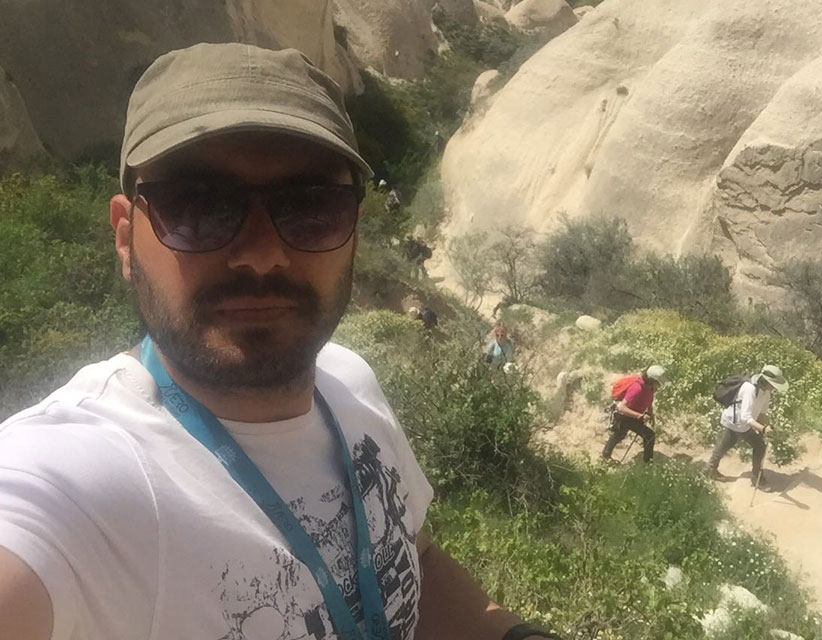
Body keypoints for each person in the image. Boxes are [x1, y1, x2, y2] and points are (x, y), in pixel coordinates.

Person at [0, 43, 558, 640]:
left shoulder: (351, 385)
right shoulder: (77, 485)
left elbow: (414, 563)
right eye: (198, 208)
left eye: (311, 209)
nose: (262, 255)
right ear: (125, 238)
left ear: (353, 232)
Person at [706, 364, 789, 490]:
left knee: (726, 443)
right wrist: (762, 429)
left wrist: (765, 426)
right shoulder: (749, 389)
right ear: (767, 382)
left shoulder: (765, 392)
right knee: (758, 446)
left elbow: (762, 414)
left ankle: (710, 469)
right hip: (736, 422)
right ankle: (756, 477)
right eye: (773, 385)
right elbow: (746, 417)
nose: (774, 388)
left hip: (742, 423)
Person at [601, 365, 668, 462]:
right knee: (621, 434)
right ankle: (605, 457)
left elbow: (648, 401)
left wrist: (651, 414)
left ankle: (647, 462)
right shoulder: (637, 388)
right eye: (658, 383)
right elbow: (621, 408)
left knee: (646, 435)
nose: (659, 386)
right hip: (622, 416)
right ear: (651, 380)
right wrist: (640, 416)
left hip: (632, 416)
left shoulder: (650, 388)